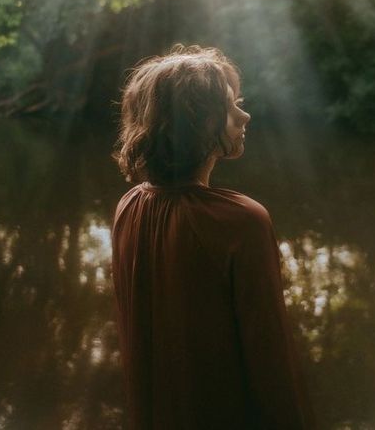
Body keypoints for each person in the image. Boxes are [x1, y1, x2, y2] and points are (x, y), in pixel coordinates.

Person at [111, 45, 315, 430]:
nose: (244, 115)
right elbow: (271, 360)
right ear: (198, 122)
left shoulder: (129, 205)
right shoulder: (241, 221)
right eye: (229, 106)